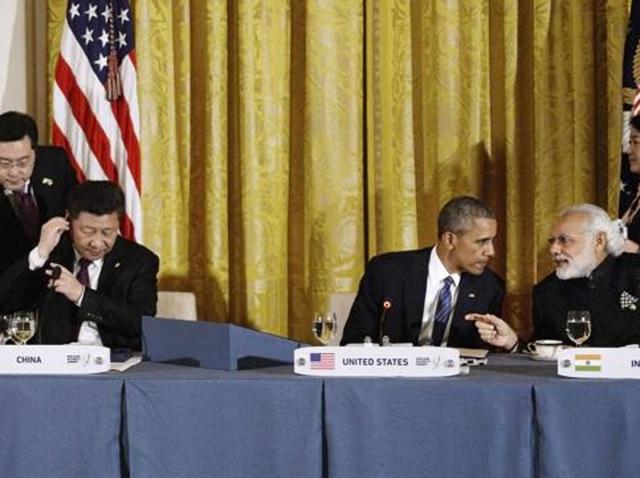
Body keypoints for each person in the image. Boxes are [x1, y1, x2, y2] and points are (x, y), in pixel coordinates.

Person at [0, 180, 158, 350]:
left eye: (107, 232)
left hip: (114, 362)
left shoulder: (139, 260)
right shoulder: (52, 252)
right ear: (68, 220)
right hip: (54, 362)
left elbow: (142, 322)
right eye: (88, 231)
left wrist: (82, 295)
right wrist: (39, 254)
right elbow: (6, 302)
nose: (97, 243)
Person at [340, 196, 504, 347]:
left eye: (491, 241)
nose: (491, 251)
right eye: (482, 242)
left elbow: (484, 356)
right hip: (393, 375)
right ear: (450, 240)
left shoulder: (490, 287)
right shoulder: (387, 271)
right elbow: (354, 341)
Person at [471, 203, 640, 349]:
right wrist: (512, 342)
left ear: (599, 241)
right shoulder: (547, 292)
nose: (553, 250)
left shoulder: (635, 274)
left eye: (564, 240)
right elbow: (542, 359)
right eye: (552, 242)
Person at [0, 111, 78, 275]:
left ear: (36, 152)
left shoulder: (55, 161)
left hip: (60, 275)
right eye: (4, 163)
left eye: (23, 162)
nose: (14, 172)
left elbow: (77, 207)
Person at [621, 115, 640, 252]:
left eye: (636, 142)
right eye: (629, 142)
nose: (629, 150)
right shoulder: (635, 194)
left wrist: (635, 249)